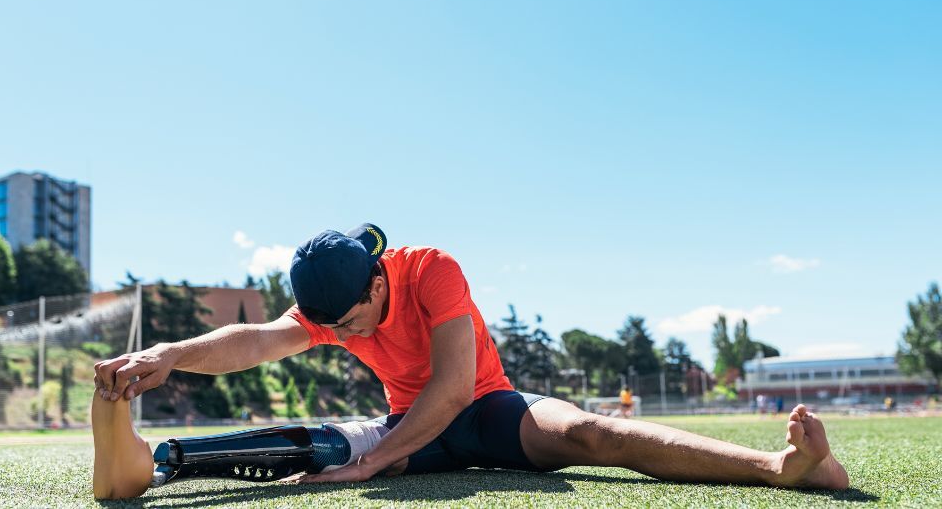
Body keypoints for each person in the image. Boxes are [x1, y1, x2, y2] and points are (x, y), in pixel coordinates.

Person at [92, 223, 849, 499]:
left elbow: (455, 390)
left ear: (380, 280)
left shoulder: (432, 270)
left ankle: (778, 470)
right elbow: (257, 342)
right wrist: (169, 355)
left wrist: (378, 459)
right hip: (409, 428)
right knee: (322, 448)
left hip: (491, 412)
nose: (347, 335)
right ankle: (165, 463)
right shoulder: (338, 306)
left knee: (595, 434)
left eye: (353, 321)